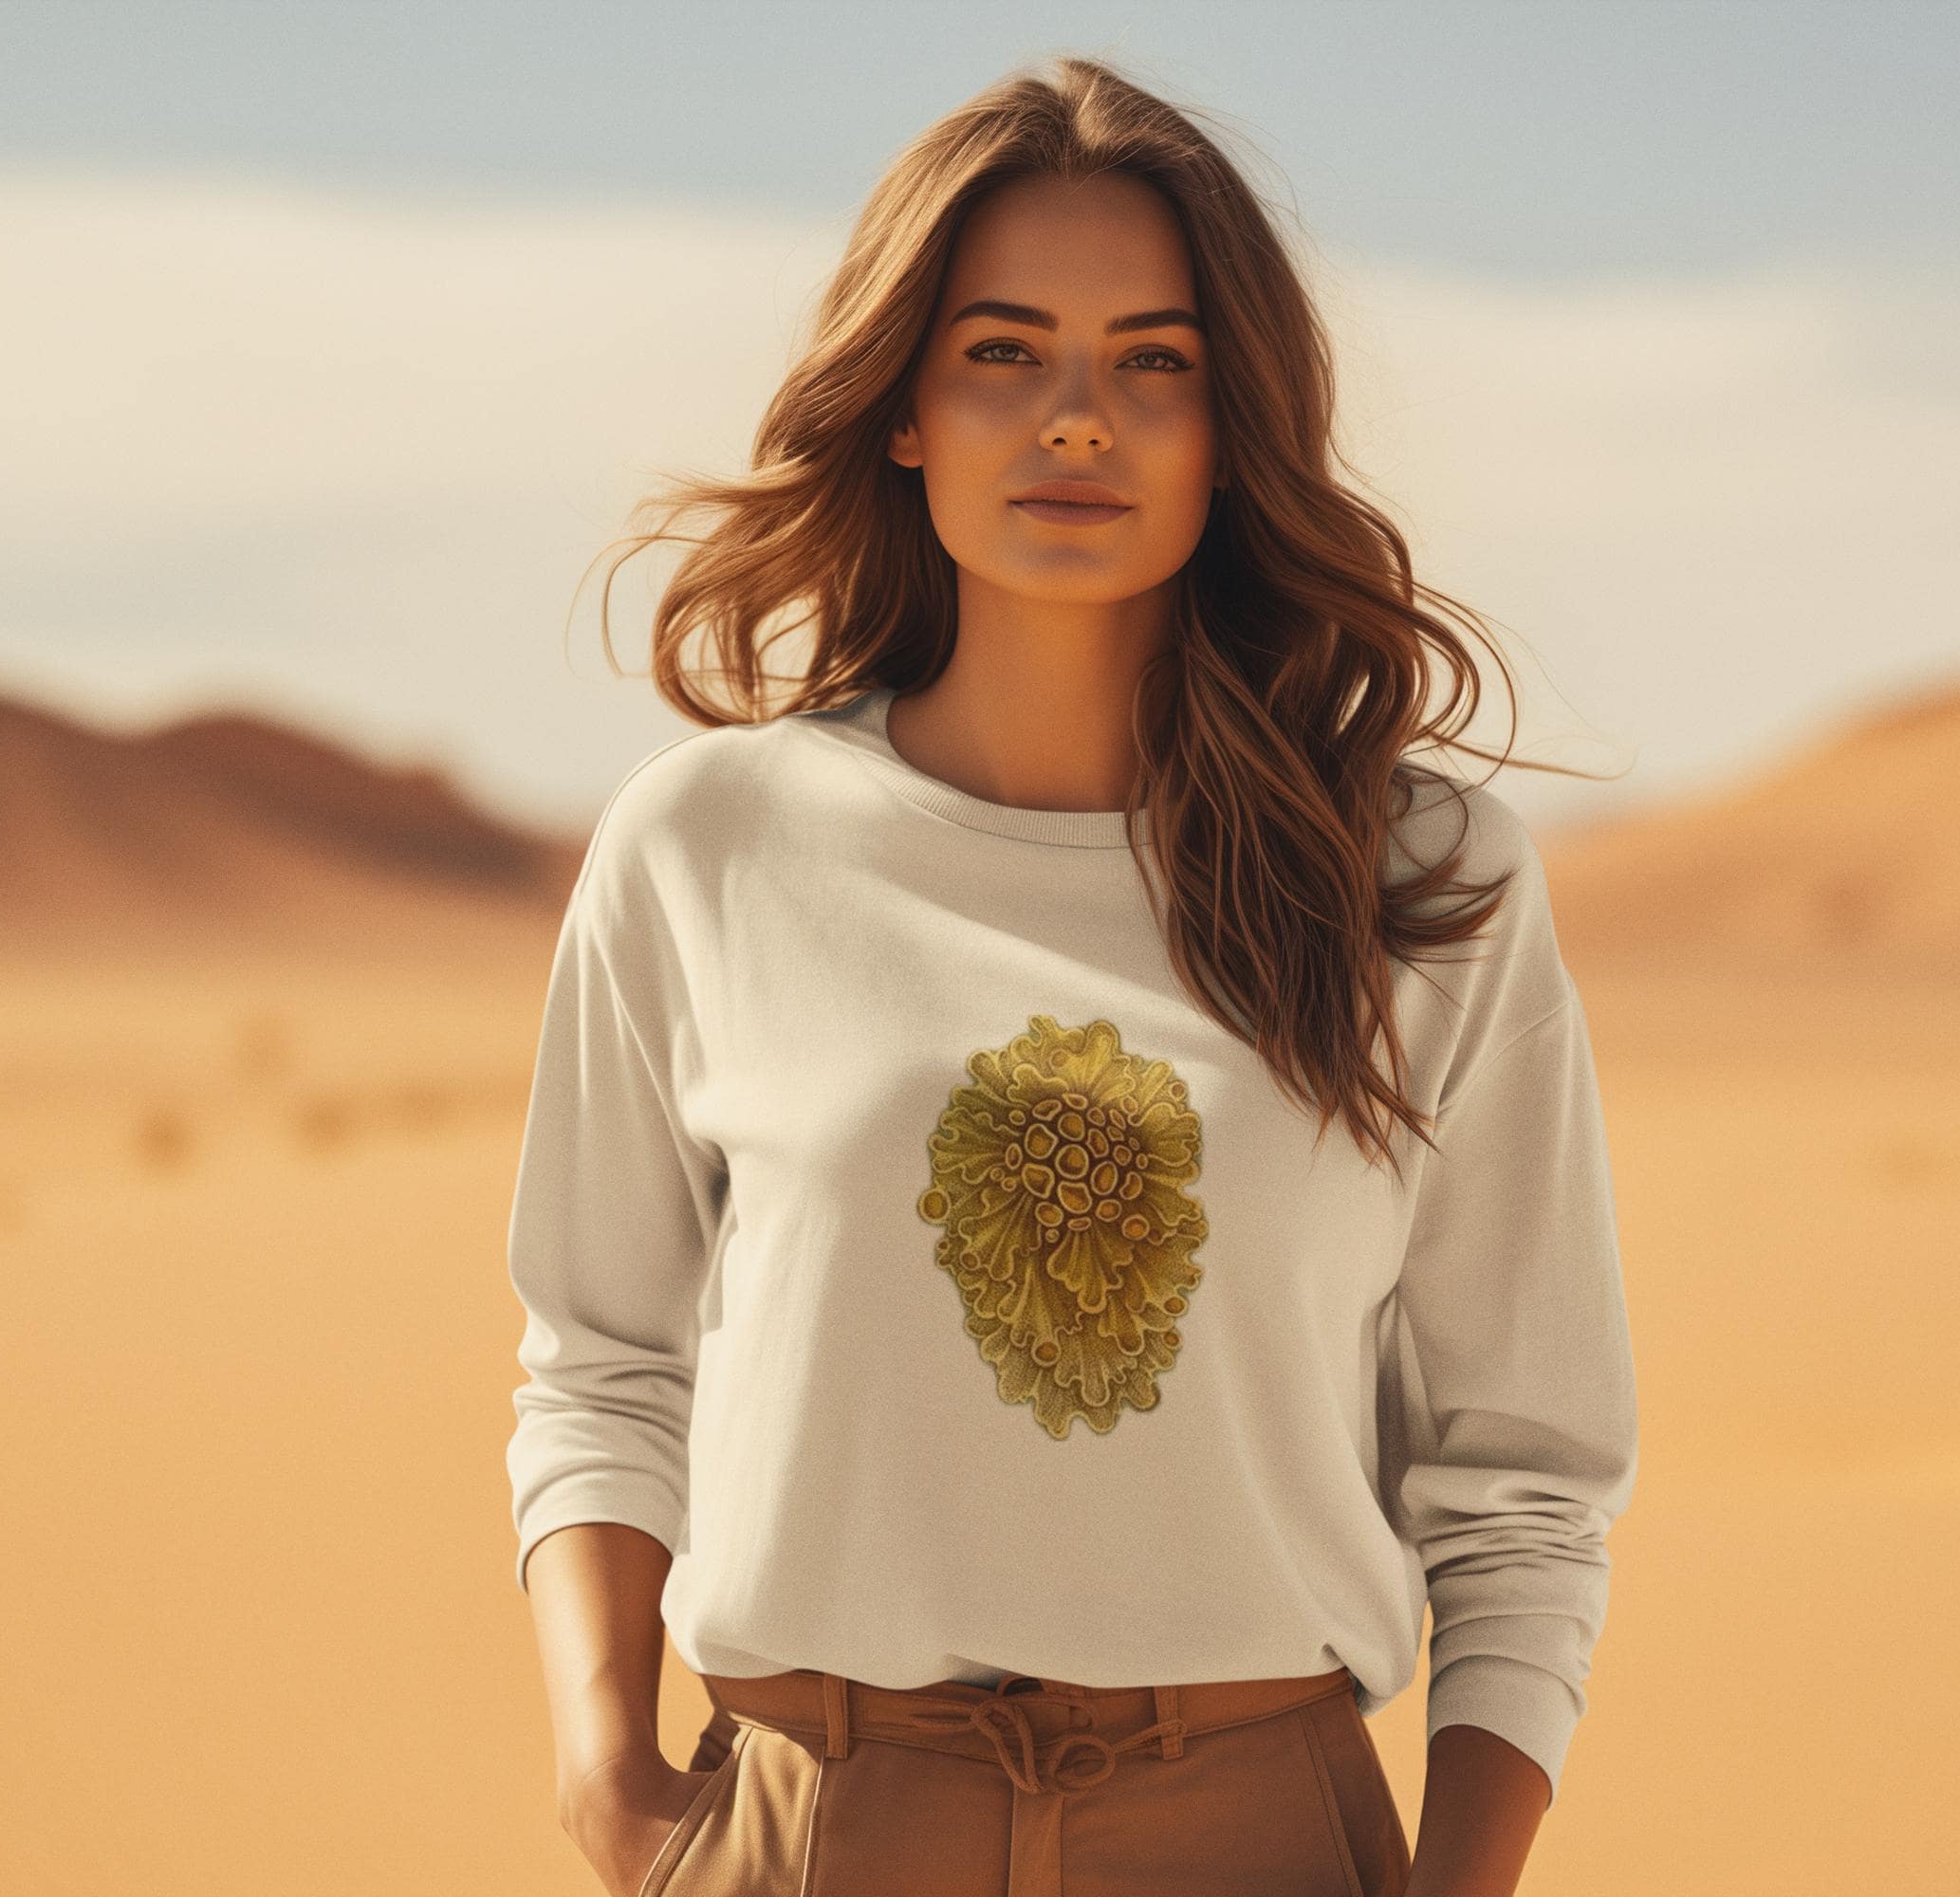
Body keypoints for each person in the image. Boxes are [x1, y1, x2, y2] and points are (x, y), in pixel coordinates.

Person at [505, 53, 1637, 1897]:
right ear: (903, 409)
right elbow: (602, 1363)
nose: (1081, 420)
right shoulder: (707, 843)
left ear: (1231, 423)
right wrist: (606, 1775)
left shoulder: (1419, 882)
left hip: (1255, 1826)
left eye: (1156, 362)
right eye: (1006, 352)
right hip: (811, 1819)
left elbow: (1523, 1473)